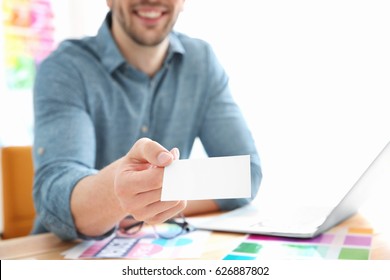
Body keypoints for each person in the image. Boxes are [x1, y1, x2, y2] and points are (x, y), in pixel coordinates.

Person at [32, 0, 262, 241]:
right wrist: (119, 194)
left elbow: (245, 175)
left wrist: (146, 203)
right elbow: (54, 195)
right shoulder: (65, 67)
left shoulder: (201, 62)